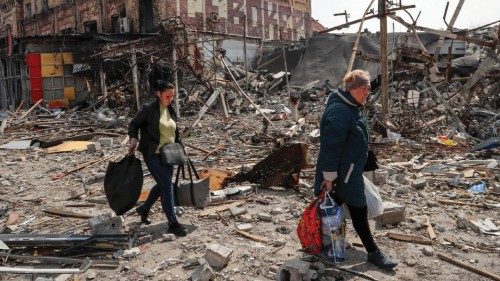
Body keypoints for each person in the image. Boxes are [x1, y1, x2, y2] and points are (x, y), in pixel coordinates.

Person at [314, 70, 398, 269]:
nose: (368, 92)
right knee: (358, 210)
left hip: (348, 171)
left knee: (333, 212)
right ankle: (373, 253)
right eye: (364, 88)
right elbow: (330, 147)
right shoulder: (340, 111)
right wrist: (329, 178)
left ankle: (329, 245)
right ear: (352, 89)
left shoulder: (351, 107)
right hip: (342, 175)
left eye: (369, 88)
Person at [128, 80, 187, 237]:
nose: (170, 99)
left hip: (169, 155)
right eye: (167, 96)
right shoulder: (149, 109)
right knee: (167, 185)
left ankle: (144, 209)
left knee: (162, 185)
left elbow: (175, 132)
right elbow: (133, 124)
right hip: (152, 154)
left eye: (172, 96)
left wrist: (181, 148)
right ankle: (173, 223)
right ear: (158, 94)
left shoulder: (171, 109)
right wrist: (133, 138)